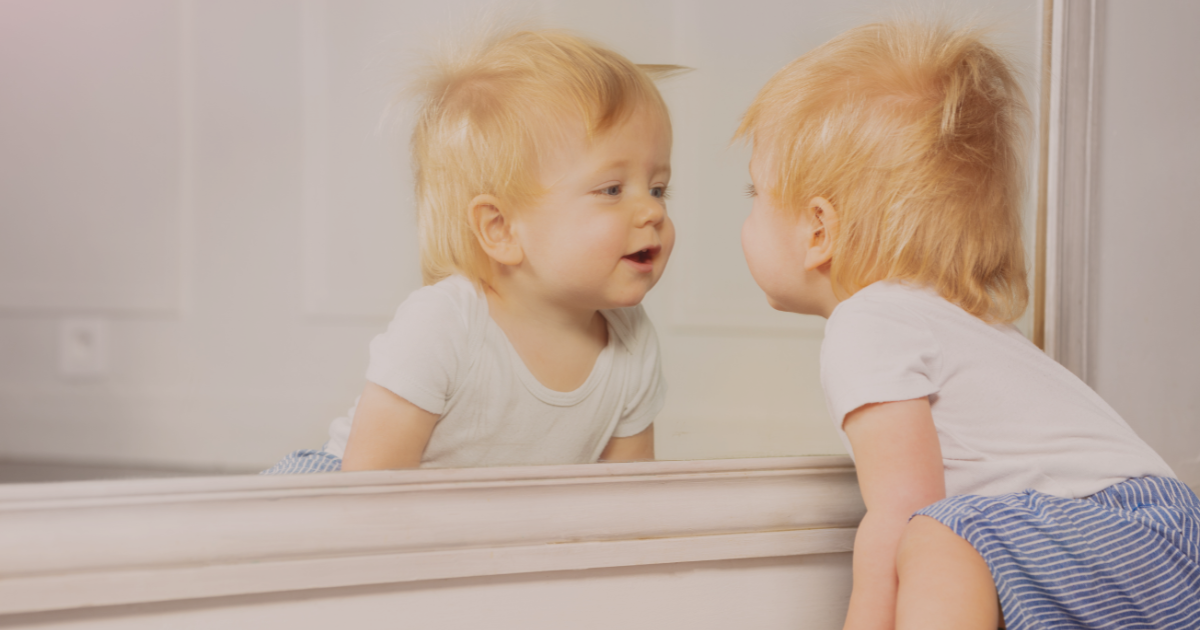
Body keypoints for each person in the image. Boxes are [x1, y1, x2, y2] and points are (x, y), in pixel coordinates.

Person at [736, 20, 1199, 630]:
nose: (747, 215)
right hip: (1166, 537)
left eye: (753, 193)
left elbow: (901, 511)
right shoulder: (952, 322)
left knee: (936, 535)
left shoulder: (866, 322)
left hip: (1119, 528)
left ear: (819, 230)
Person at [264, 28, 676, 473]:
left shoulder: (632, 339)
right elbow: (370, 486)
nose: (652, 211)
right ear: (501, 228)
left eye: (658, 188)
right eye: (612, 189)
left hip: (486, 506)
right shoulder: (446, 324)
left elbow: (628, 494)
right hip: (347, 485)